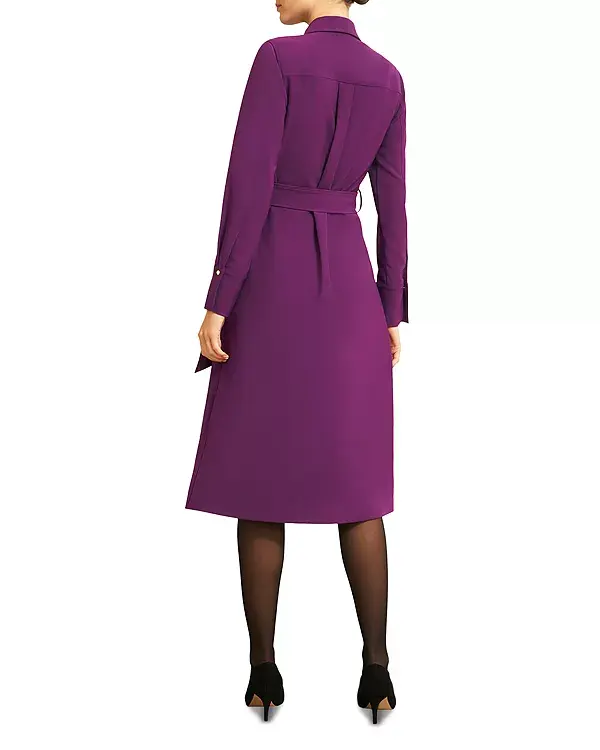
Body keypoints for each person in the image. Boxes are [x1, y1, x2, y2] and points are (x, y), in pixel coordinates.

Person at [186, 0, 408, 723]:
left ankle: (263, 672)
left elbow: (248, 184)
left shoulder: (278, 59)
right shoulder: (387, 77)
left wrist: (219, 298)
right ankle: (377, 672)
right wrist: (392, 308)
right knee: (360, 489)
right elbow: (394, 202)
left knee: (260, 481)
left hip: (272, 283)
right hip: (351, 292)